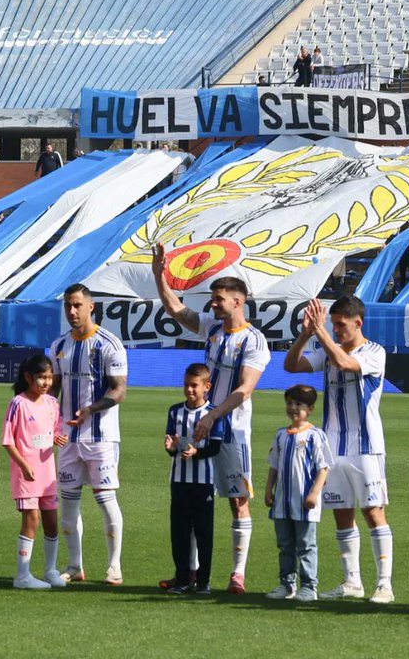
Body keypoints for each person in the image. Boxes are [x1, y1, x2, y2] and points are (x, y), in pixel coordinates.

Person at [153, 244, 271, 593]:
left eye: (219, 299)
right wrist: (158, 273)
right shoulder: (212, 329)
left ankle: (238, 574)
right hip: (198, 427)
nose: (213, 304)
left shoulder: (253, 340)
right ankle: (188, 573)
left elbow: (245, 389)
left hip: (230, 430)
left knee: (238, 501)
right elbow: (175, 308)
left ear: (237, 301)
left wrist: (214, 415)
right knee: (190, 502)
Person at [284, 296, 393, 603]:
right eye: (333, 324)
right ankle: (351, 581)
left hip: (366, 446)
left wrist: (320, 334)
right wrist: (306, 334)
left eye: (340, 325)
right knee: (342, 514)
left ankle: (384, 584)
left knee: (373, 512)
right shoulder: (328, 349)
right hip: (333, 446)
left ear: (358, 323)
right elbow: (291, 365)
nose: (336, 330)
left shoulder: (374, 352)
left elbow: (346, 363)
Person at [50, 283, 128, 585]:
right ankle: (74, 565)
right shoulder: (59, 345)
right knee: (68, 501)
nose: (71, 311)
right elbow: (53, 389)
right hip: (68, 438)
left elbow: (119, 390)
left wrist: (91, 410)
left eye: (77, 305)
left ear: (90, 306)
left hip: (101, 437)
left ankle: (114, 565)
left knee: (106, 499)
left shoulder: (109, 344)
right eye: (68, 305)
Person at [2, 354, 68, 590]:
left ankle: (50, 570)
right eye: (41, 378)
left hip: (47, 473)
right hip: (26, 472)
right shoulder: (18, 404)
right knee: (32, 519)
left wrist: (58, 437)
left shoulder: (52, 403)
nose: (46, 383)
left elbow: (54, 430)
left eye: (49, 378)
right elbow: (8, 441)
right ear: (28, 377)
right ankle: (22, 575)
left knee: (51, 521)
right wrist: (23, 464)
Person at [263, 384, 331, 602]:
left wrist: (314, 493)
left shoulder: (314, 435)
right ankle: (286, 584)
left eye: (299, 404)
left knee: (306, 545)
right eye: (289, 403)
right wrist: (268, 489)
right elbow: (274, 466)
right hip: (282, 501)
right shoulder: (281, 435)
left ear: (310, 408)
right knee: (285, 545)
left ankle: (309, 586)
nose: (293, 408)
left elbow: (324, 467)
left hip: (304, 503)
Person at [161, 363, 223, 595]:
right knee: (179, 531)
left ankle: (204, 581)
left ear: (206, 387)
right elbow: (171, 444)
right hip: (179, 480)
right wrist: (171, 448)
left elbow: (215, 448)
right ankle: (183, 579)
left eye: (194, 386)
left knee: (204, 532)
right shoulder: (175, 411)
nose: (189, 390)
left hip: (204, 481)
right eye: (186, 385)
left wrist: (198, 452)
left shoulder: (213, 413)